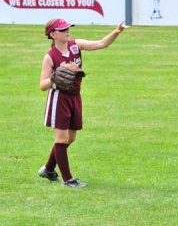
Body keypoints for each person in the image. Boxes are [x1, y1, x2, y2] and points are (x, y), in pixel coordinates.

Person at [38, 18, 128, 187]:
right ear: (53, 34)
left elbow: (101, 43)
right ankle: (68, 180)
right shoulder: (50, 57)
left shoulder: (75, 45)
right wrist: (54, 77)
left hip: (75, 97)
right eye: (62, 29)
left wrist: (117, 32)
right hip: (59, 98)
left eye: (67, 28)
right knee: (61, 139)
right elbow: (42, 85)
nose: (67, 31)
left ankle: (48, 169)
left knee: (70, 137)